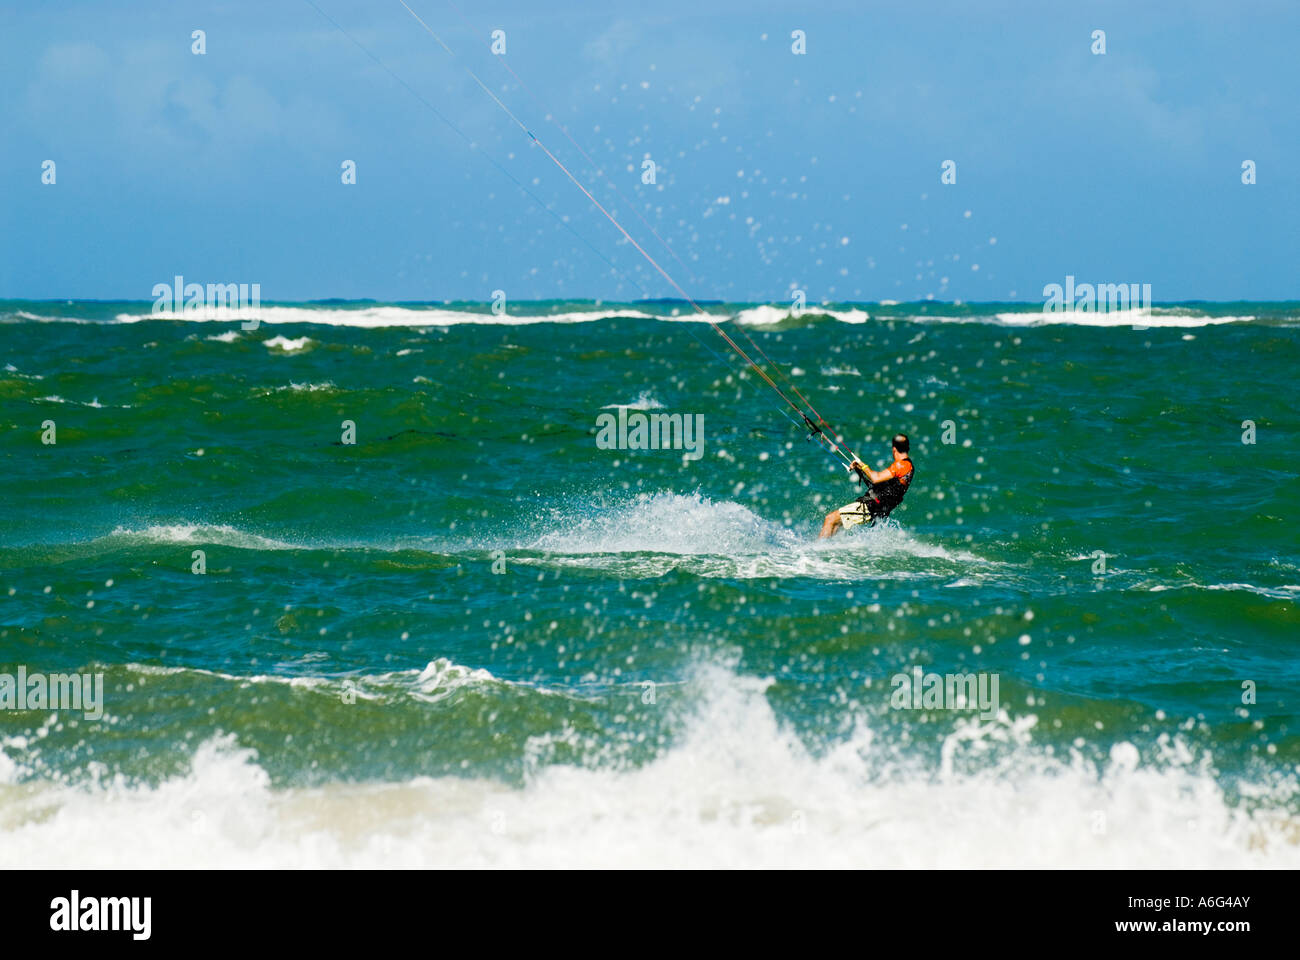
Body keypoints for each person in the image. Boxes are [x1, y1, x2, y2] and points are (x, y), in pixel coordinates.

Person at [818, 433, 914, 538]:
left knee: (830, 519)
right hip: (877, 507)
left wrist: (862, 464)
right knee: (836, 523)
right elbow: (882, 484)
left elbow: (876, 478)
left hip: (871, 506)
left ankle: (818, 550)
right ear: (907, 447)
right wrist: (860, 468)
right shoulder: (908, 467)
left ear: (894, 449)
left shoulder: (901, 465)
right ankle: (826, 549)